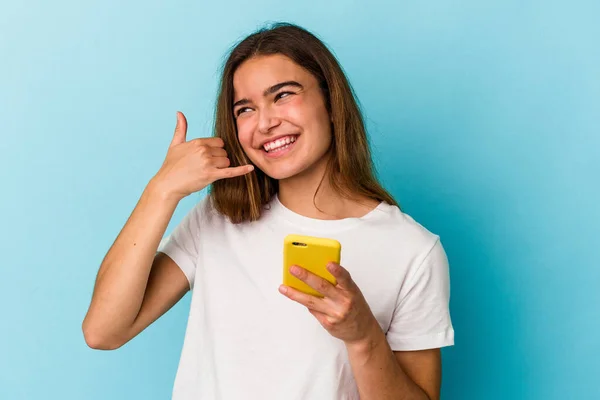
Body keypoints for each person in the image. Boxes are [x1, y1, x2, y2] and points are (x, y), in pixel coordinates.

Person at [82, 22, 454, 400]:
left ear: (330, 99)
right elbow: (103, 332)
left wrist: (362, 337)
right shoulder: (219, 217)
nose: (265, 123)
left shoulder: (413, 250)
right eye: (245, 108)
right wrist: (162, 190)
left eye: (283, 95)